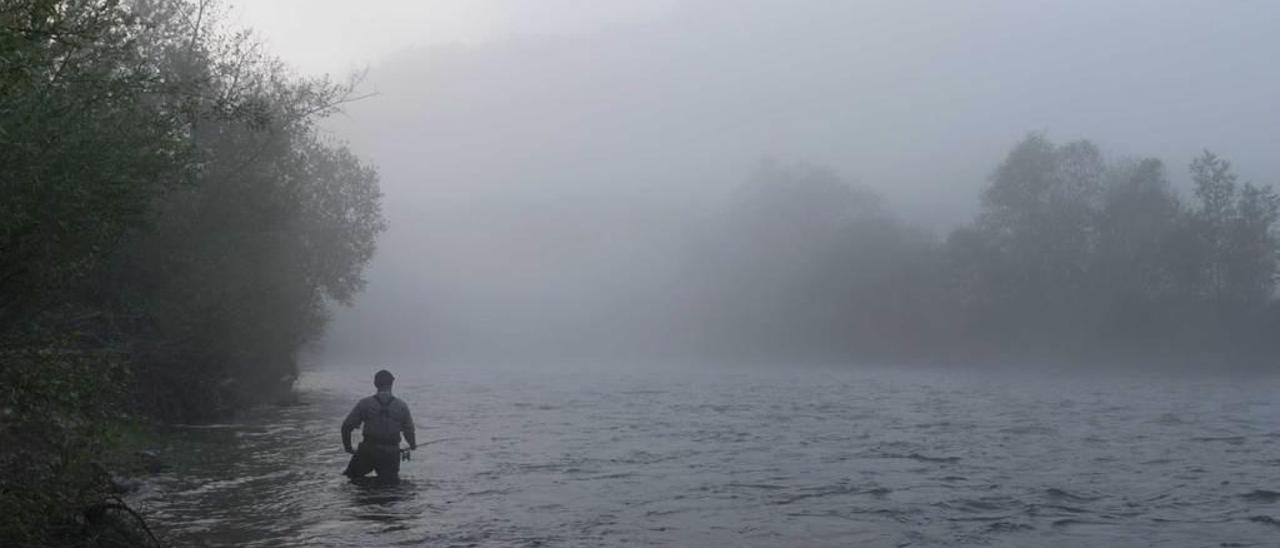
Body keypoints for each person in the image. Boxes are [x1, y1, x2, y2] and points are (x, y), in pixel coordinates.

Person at [341, 369, 416, 484]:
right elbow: (409, 431)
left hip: (368, 451)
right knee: (389, 487)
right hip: (390, 453)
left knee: (350, 479)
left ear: (375, 384)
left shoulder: (364, 403)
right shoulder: (402, 406)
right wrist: (412, 445)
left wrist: (348, 448)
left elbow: (346, 427)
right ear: (392, 383)